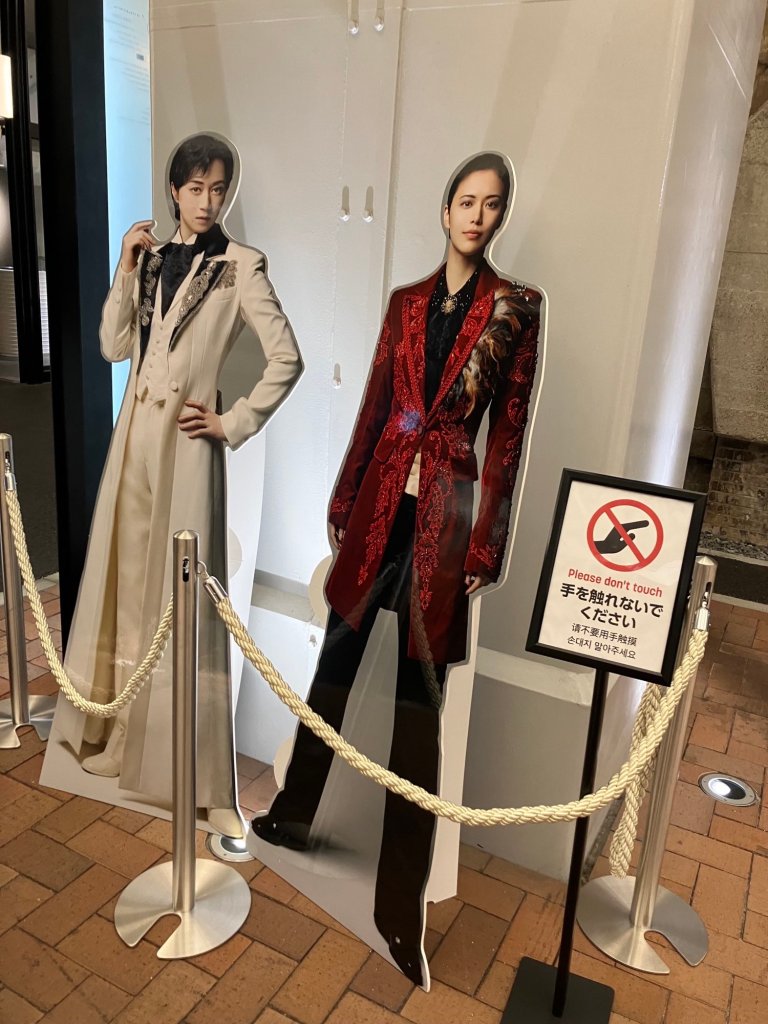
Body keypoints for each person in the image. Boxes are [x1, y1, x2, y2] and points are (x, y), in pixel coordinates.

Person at [253, 152, 542, 982]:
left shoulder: (515, 310)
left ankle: (399, 909)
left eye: (491, 205)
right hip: (382, 503)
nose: (477, 216)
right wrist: (345, 497)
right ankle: (292, 815)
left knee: (420, 709)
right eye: (466, 201)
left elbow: (509, 435)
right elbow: (378, 402)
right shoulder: (406, 303)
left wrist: (486, 545)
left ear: (501, 216)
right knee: (333, 671)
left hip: (444, 525)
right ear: (444, 210)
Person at [51, 133, 302, 839]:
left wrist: (232, 421)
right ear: (174, 190)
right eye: (195, 188)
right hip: (134, 438)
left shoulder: (242, 265)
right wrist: (124, 268)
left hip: (189, 447)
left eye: (219, 188)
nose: (207, 201)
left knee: (182, 599)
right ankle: (116, 737)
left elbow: (286, 357)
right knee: (130, 582)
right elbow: (112, 345)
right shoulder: (153, 258)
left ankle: (191, 771)